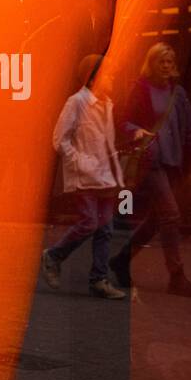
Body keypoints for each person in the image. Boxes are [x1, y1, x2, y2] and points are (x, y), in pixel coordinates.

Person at [110, 42, 191, 298]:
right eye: (161, 61)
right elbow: (124, 120)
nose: (166, 66)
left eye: (169, 61)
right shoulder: (141, 89)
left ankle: (121, 260)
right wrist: (136, 130)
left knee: (156, 220)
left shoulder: (179, 93)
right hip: (150, 162)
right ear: (152, 64)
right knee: (171, 215)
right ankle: (177, 276)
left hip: (173, 162)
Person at [41, 53, 134, 300]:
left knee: (105, 229)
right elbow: (59, 139)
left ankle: (98, 280)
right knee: (90, 222)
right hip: (84, 177)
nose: (113, 78)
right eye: (109, 74)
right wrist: (82, 163)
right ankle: (53, 256)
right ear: (94, 78)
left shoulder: (107, 104)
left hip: (105, 177)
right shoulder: (77, 102)